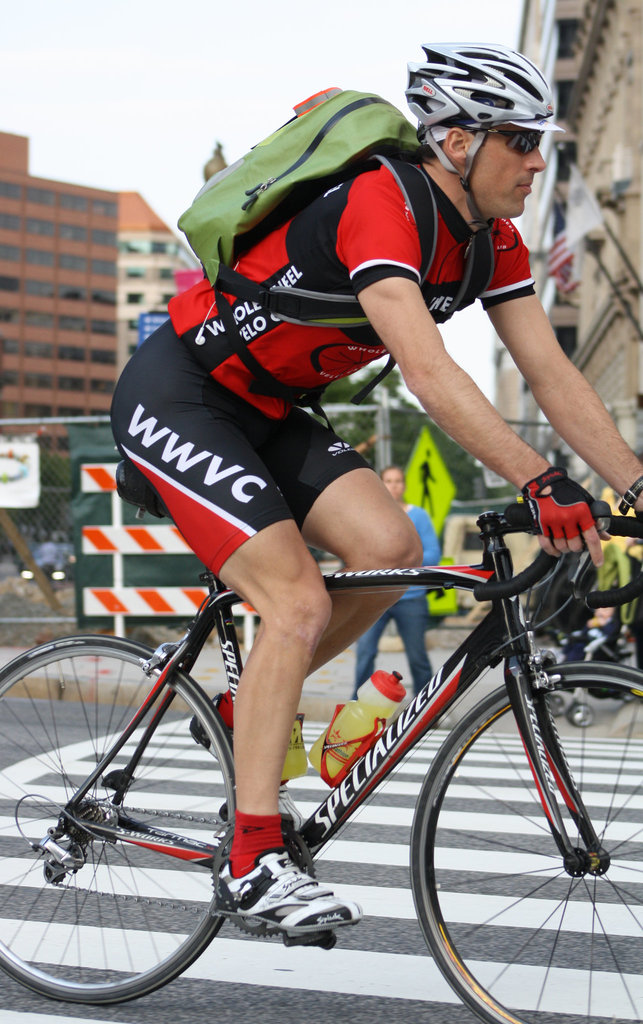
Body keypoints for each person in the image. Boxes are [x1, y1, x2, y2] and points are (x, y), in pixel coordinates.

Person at [110, 42, 643, 941]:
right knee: (292, 600)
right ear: (457, 140)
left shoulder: (491, 242)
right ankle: (249, 862)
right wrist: (541, 476)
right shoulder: (382, 203)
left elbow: (548, 370)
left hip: (272, 409)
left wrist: (632, 481)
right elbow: (428, 372)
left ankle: (245, 712)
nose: (535, 160)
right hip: (183, 393)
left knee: (395, 554)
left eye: (539, 140)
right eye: (517, 139)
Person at [352, 466, 441, 698]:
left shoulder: (419, 516)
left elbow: (433, 554)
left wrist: (397, 558)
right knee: (365, 652)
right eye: (389, 481)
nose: (394, 485)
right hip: (376, 597)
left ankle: (426, 706)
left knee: (417, 656)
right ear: (381, 485)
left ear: (404, 485)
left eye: (398, 481)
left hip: (411, 598)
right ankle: (357, 703)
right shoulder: (369, 516)